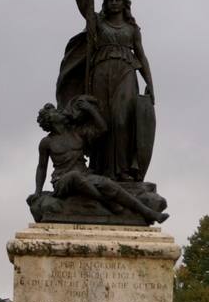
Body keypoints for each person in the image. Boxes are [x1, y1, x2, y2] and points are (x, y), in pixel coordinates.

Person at [56, 0, 155, 182]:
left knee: (122, 120)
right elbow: (82, 1)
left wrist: (150, 82)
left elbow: (141, 56)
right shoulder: (97, 24)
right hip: (101, 73)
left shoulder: (132, 29)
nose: (113, 2)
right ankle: (100, 168)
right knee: (102, 120)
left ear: (124, 3)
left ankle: (122, 170)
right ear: (106, 3)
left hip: (126, 72)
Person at [29, 96, 168, 225]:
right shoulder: (46, 142)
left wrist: (91, 109)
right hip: (61, 181)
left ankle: (149, 213)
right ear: (49, 120)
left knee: (108, 183)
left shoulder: (77, 133)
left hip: (85, 176)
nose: (59, 112)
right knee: (74, 176)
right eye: (54, 112)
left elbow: (102, 128)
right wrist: (38, 191)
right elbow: (42, 167)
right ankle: (107, 202)